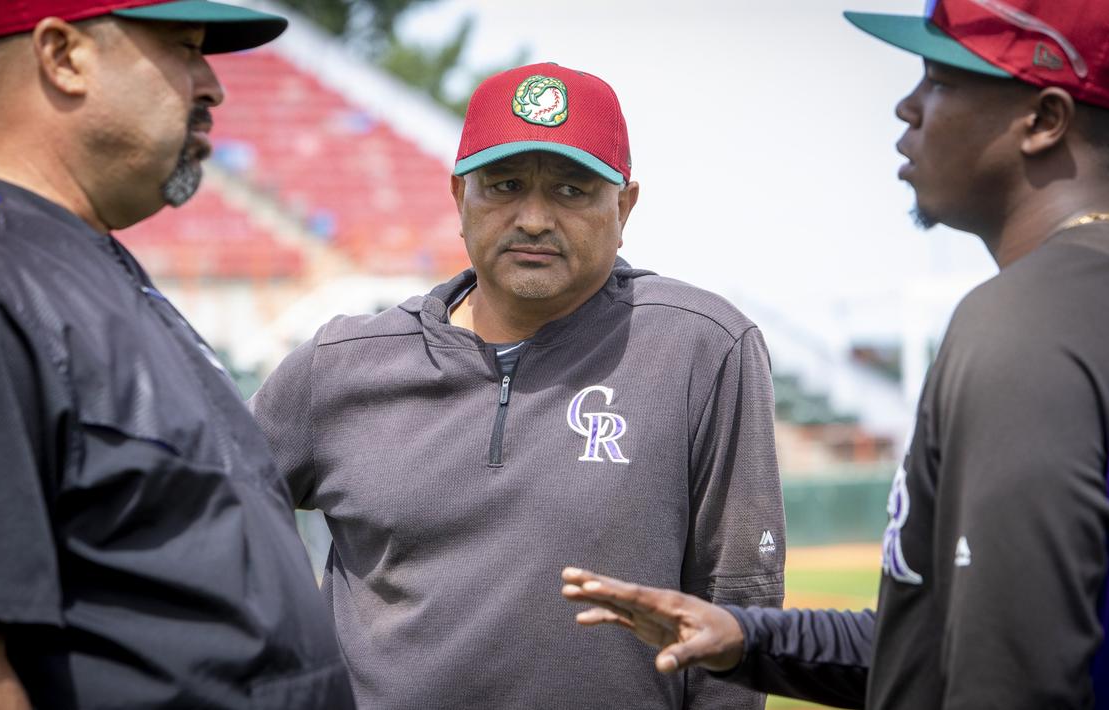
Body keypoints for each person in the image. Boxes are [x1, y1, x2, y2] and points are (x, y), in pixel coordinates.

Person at [562, 0, 1109, 708]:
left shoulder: (1022, 323)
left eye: (941, 80)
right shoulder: (1094, 302)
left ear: (1044, 120)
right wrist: (744, 636)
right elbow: (946, 648)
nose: (907, 106)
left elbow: (1010, 679)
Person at [249, 62, 786, 709]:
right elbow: (207, 531)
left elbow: (738, 607)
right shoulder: (339, 365)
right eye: (504, 185)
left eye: (571, 190)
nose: (533, 218)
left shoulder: (703, 347)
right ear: (459, 198)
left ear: (625, 205)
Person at [0, 2, 355, 708]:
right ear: (64, 57)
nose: (212, 84)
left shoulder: (89, 259)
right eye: (185, 47)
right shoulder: (6, 275)